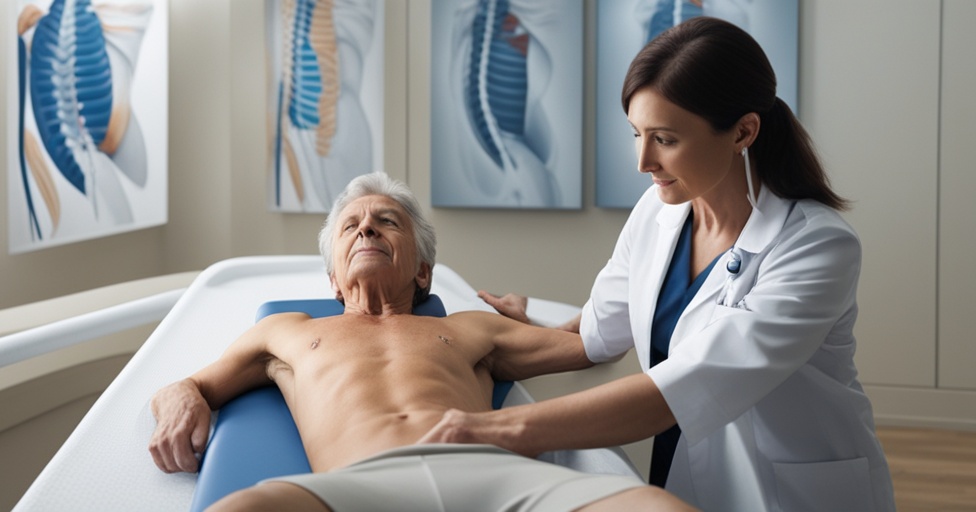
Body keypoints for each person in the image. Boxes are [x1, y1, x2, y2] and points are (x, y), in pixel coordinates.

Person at [420, 17, 896, 511]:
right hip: (685, 480)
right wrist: (521, 329)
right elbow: (596, 335)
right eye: (636, 134)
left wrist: (495, 429)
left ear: (743, 132)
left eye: (665, 139)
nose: (642, 161)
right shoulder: (656, 213)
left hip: (792, 493)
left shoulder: (816, 246)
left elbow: (687, 387)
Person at [148, 173, 694, 511]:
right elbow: (192, 384)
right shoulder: (288, 331)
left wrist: (525, 324)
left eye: (387, 222)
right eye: (351, 226)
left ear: (424, 272)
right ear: (333, 281)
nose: (367, 229)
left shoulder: (467, 327)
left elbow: (598, 344)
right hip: (360, 487)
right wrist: (177, 402)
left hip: (497, 478)